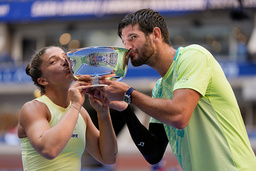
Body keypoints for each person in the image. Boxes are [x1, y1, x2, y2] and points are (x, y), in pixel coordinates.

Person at [97, 8, 256, 171]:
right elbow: (153, 153)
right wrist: (125, 108)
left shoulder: (193, 56)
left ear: (156, 35)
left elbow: (180, 115)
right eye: (124, 42)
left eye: (133, 37)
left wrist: (129, 94)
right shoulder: (159, 88)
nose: (127, 47)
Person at [17, 46, 117, 171]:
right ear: (43, 81)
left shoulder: (81, 113)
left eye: (65, 57)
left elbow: (109, 158)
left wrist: (103, 113)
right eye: (54, 61)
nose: (64, 61)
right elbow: (49, 150)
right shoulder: (33, 108)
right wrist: (75, 106)